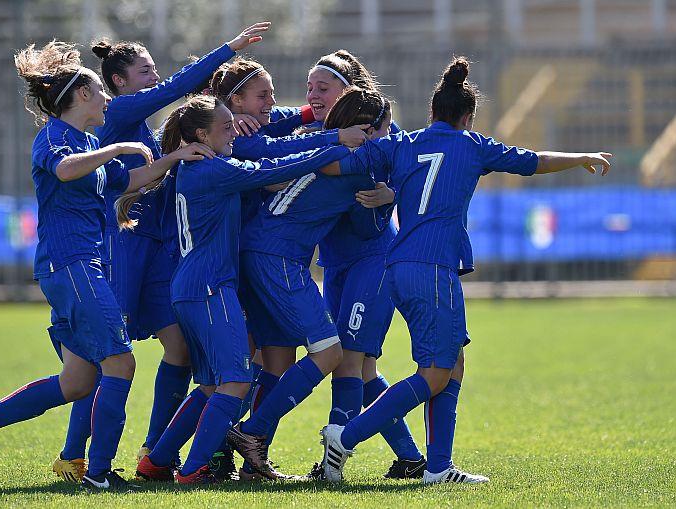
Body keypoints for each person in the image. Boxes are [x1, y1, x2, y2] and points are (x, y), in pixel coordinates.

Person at [317, 56, 612, 483]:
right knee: (435, 372)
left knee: (452, 364)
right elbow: (533, 160)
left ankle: (439, 467)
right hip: (433, 267)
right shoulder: (471, 146)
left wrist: (318, 155)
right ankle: (345, 437)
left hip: (399, 264)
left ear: (432, 111)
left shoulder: (401, 143)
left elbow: (333, 164)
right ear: (467, 118)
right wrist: (580, 156)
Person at [0, 40, 204, 491]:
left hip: (85, 266)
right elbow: (66, 170)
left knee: (75, 382)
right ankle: (100, 475)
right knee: (121, 364)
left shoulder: (88, 140)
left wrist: (171, 159)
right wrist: (118, 147)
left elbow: (128, 181)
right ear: (83, 96)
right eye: (101, 93)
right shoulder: (54, 137)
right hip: (70, 265)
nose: (108, 99)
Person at [50, 22, 270, 484]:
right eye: (146, 70)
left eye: (154, 69)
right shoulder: (124, 113)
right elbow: (179, 88)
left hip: (158, 251)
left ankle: (155, 449)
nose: (155, 76)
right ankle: (74, 454)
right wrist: (229, 48)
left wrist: (301, 115)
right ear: (118, 82)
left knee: (180, 348)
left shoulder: (143, 126)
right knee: (104, 354)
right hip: (126, 247)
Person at [130, 95, 353, 484]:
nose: (235, 133)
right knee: (237, 381)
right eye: (226, 127)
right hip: (210, 287)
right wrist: (334, 144)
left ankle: (157, 461)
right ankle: (194, 469)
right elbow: (268, 168)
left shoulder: (198, 165)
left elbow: (264, 170)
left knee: (213, 385)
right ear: (202, 134)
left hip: (192, 285)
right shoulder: (210, 169)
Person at [306, 49, 428, 480]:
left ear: (348, 92)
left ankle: (331, 461)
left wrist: (393, 194)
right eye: (309, 87)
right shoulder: (313, 130)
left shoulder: (382, 130)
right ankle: (411, 459)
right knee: (363, 367)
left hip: (373, 261)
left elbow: (421, 174)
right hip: (336, 264)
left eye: (322, 87)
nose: (313, 95)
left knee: (348, 360)